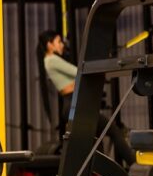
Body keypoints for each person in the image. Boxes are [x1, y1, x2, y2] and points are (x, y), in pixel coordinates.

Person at [36, 30, 135, 167]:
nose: (62, 45)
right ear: (49, 45)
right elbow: (77, 72)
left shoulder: (49, 61)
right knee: (113, 131)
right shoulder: (51, 60)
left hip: (74, 104)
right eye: (59, 41)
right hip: (75, 104)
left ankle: (103, 174)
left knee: (95, 140)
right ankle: (134, 164)